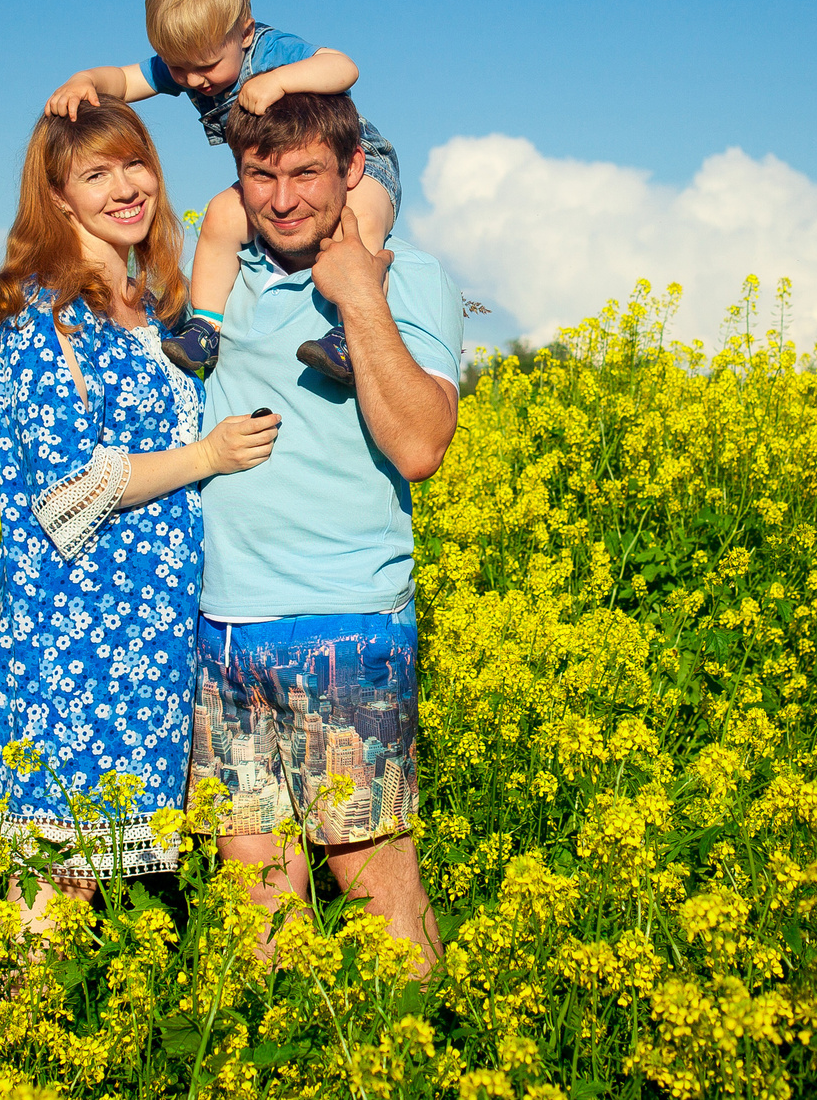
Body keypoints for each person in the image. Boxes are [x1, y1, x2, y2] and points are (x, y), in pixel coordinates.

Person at [0, 102, 282, 929]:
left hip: (153, 631)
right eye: (94, 174)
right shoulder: (47, 318)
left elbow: (261, 200)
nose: (124, 187)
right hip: (75, 628)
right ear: (58, 198)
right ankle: (17, 1035)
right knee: (59, 873)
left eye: (133, 163)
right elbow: (65, 487)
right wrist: (205, 457)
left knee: (106, 864)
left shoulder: (158, 306)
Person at [186, 89, 463, 974]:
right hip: (222, 628)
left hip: (344, 623)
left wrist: (356, 296)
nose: (282, 197)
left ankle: (426, 1046)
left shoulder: (408, 275)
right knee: (250, 886)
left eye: (306, 172)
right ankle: (288, 1056)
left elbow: (420, 442)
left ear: (355, 170)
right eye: (259, 176)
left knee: (367, 871)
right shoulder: (222, 280)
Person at [41, 0, 403, 390]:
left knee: (358, 224)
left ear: (244, 33)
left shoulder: (270, 50)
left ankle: (351, 336)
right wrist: (87, 81)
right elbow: (124, 79)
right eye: (179, 68)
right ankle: (205, 330)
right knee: (219, 216)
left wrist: (279, 80)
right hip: (277, 173)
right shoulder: (193, 58)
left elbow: (344, 67)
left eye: (207, 66)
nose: (194, 81)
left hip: (353, 161)